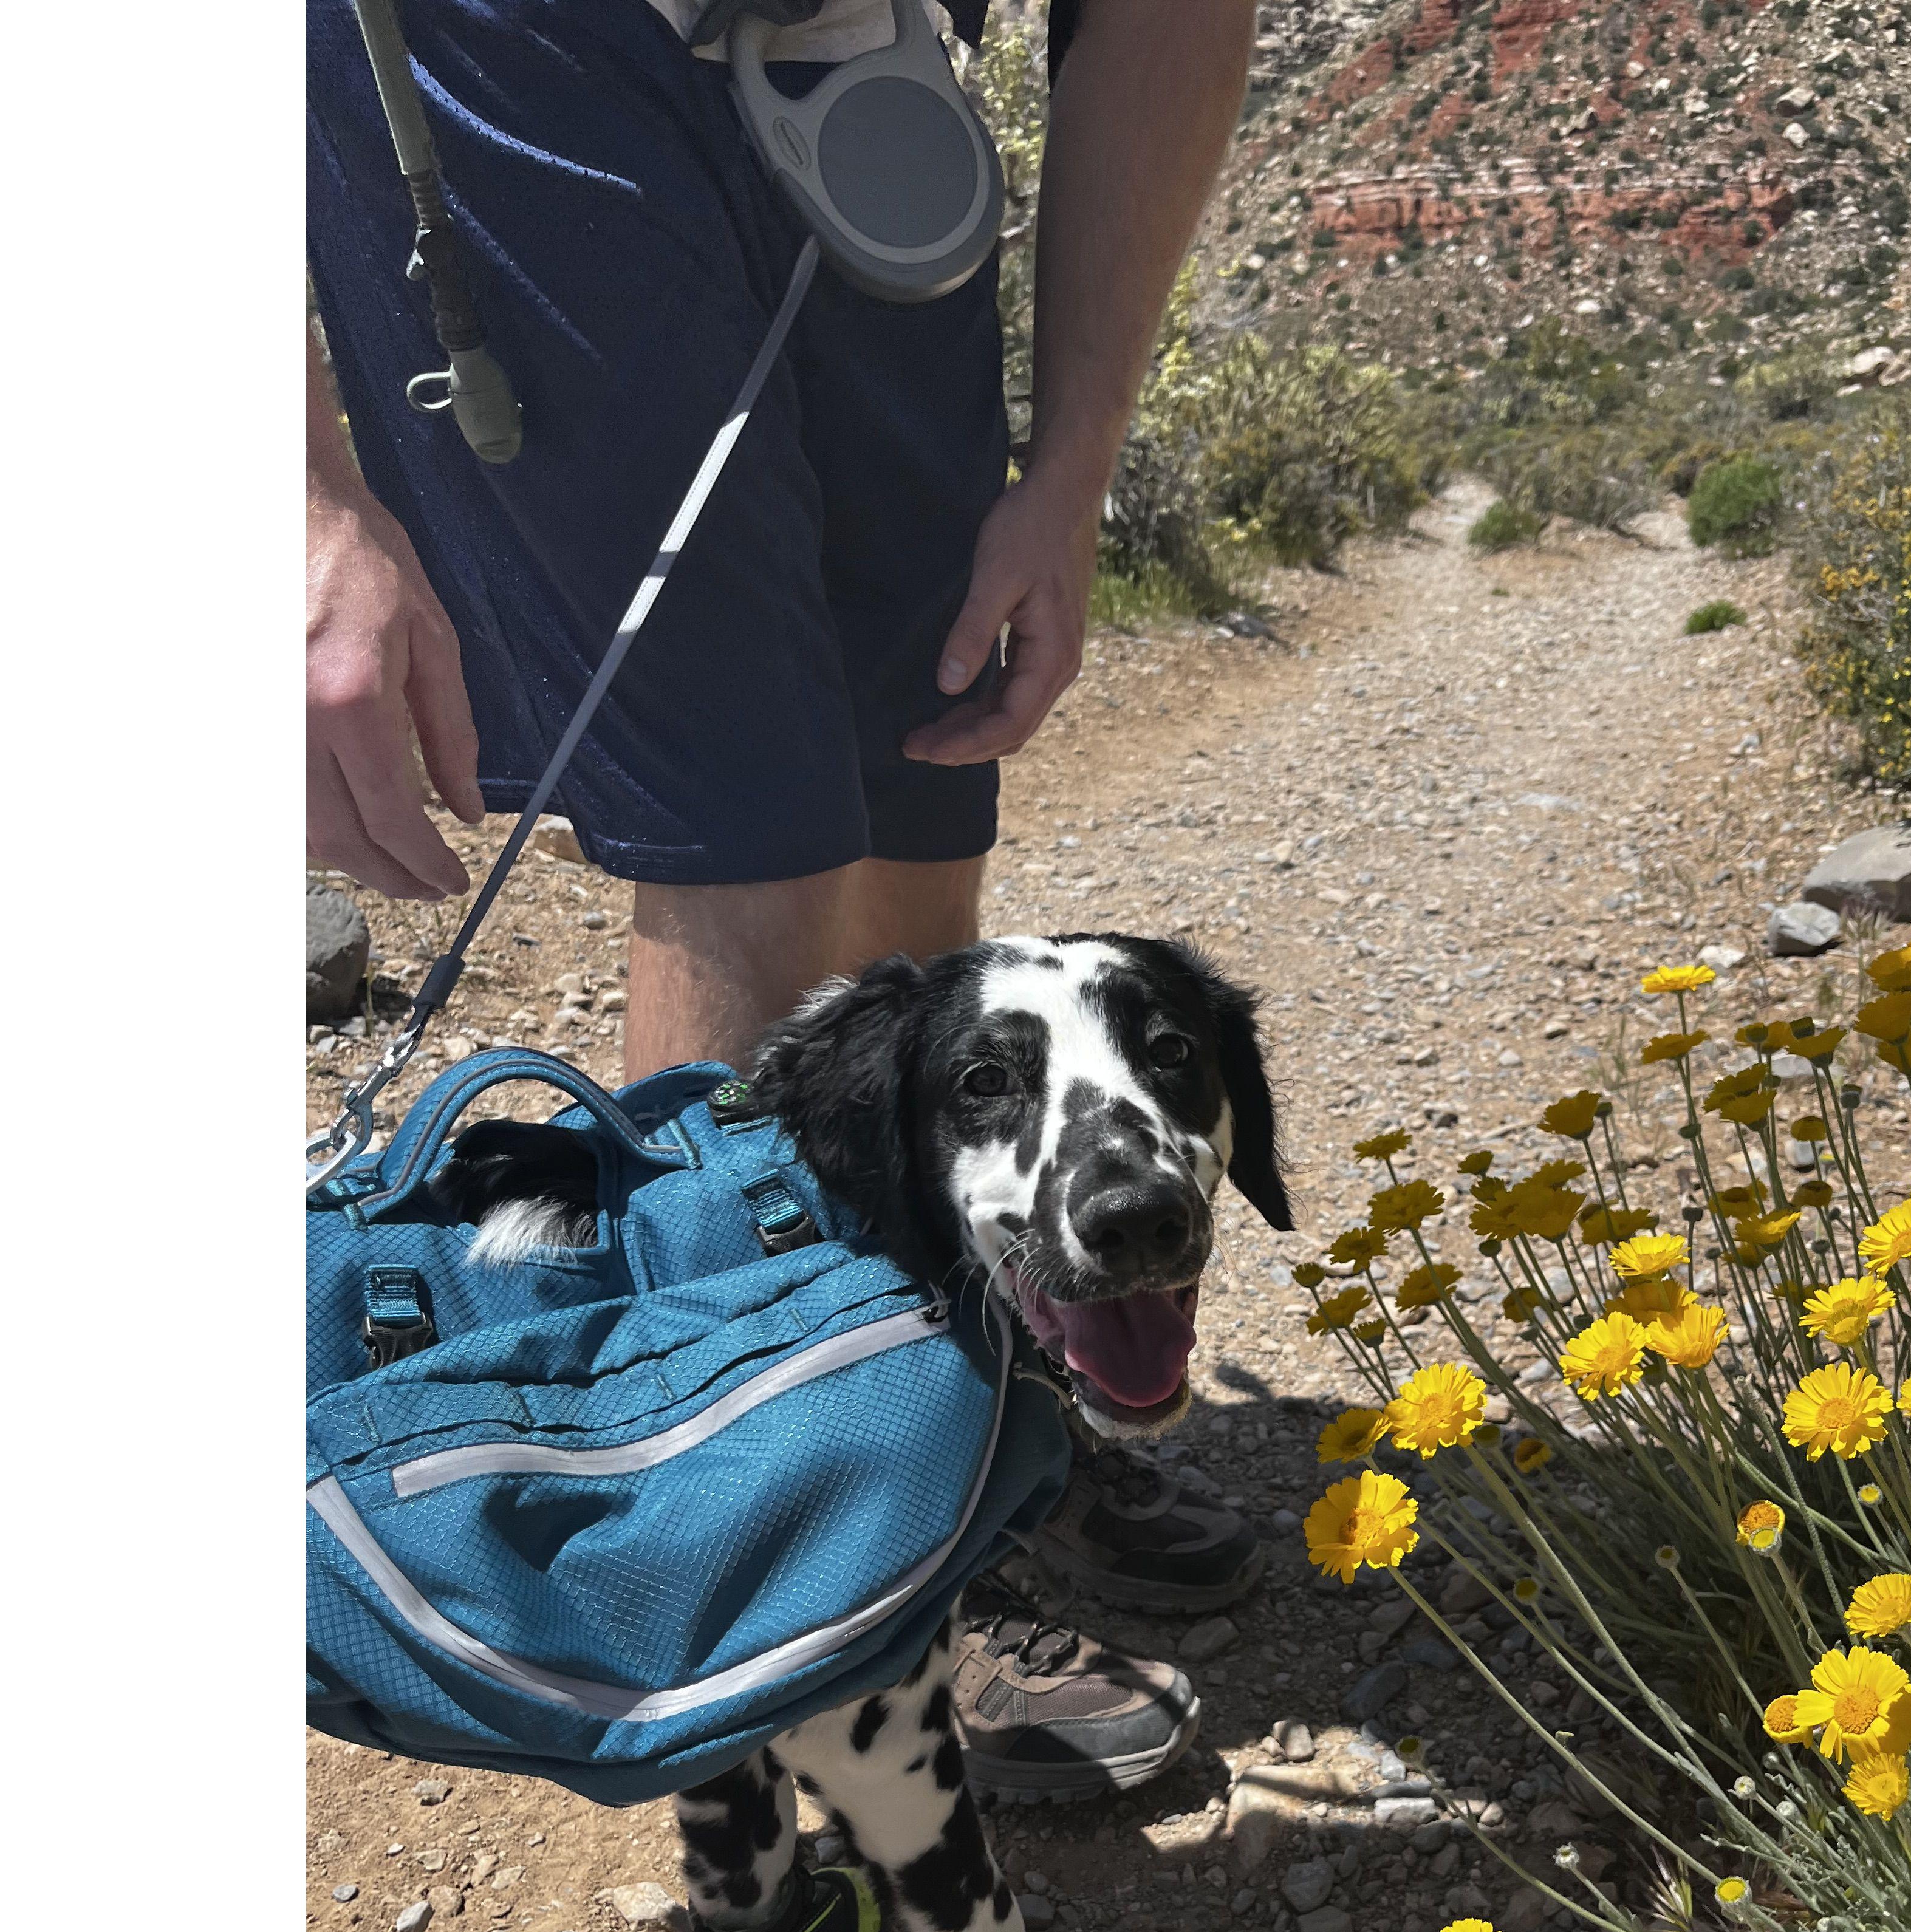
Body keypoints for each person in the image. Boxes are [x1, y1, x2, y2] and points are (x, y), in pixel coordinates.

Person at [305, 0, 1264, 1812]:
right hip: (511, 54)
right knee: (757, 852)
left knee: (920, 802)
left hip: (862, 63)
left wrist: (1069, 471)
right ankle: (795, 1604)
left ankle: (956, 1409)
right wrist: (293, 493)